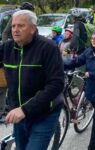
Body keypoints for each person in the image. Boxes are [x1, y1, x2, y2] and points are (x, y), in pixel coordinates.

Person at [0, 10, 64, 149]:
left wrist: (25, 109)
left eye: (21, 26)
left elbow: (56, 84)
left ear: (33, 28)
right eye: (13, 26)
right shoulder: (7, 48)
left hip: (44, 113)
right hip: (18, 113)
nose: (15, 30)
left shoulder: (48, 47)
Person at [64, 29, 95, 150]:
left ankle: (91, 147)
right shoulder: (88, 51)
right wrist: (60, 63)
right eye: (92, 38)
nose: (93, 40)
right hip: (91, 89)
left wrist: (91, 74)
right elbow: (76, 61)